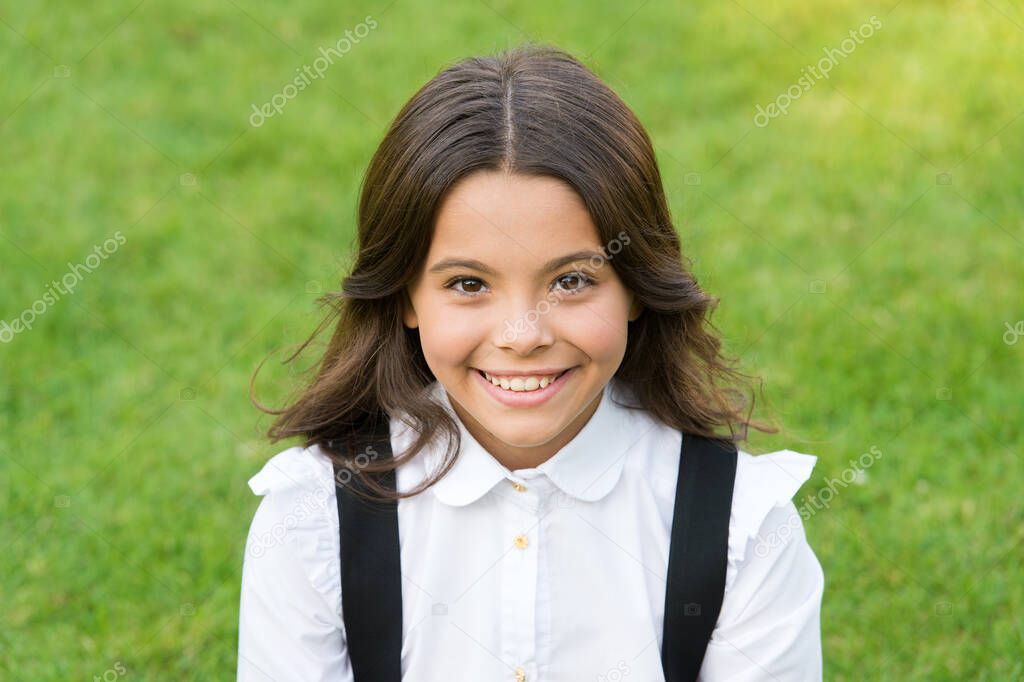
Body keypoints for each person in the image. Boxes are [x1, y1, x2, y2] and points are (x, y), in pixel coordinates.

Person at [237, 43, 824, 681]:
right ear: (405, 296)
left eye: (571, 282)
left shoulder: (742, 524)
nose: (522, 336)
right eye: (468, 284)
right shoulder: (311, 520)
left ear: (635, 287)